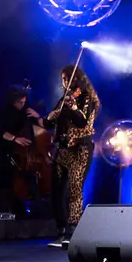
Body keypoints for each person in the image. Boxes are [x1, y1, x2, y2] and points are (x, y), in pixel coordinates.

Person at [43, 66, 100, 248]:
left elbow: (82, 121)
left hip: (79, 149)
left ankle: (73, 230)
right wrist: (49, 117)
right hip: (62, 149)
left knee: (75, 190)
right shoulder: (63, 100)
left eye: (68, 79)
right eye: (63, 80)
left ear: (77, 79)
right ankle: (61, 230)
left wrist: (75, 108)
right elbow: (49, 123)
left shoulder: (87, 99)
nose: (65, 83)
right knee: (57, 191)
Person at [0, 84, 42, 214]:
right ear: (14, 100)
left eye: (24, 102)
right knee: (5, 185)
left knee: (29, 183)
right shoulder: (4, 113)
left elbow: (43, 128)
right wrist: (16, 139)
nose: (23, 105)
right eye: (21, 102)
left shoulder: (25, 114)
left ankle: (31, 210)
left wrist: (37, 116)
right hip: (5, 153)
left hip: (24, 157)